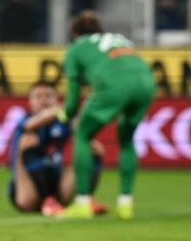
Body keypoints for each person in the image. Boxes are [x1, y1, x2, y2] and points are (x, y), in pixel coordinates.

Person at [58, 11, 156, 219]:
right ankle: (125, 204)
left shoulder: (76, 48)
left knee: (83, 135)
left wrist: (65, 114)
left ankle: (83, 203)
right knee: (126, 139)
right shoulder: (119, 39)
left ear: (75, 34)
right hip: (146, 83)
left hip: (114, 85)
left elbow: (73, 100)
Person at [8, 81, 106, 216]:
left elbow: (79, 126)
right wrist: (63, 109)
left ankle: (86, 199)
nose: (43, 101)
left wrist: (82, 115)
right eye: (38, 96)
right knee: (26, 141)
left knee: (91, 148)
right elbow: (29, 126)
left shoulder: (62, 120)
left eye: (48, 96)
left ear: (56, 99)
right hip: (27, 186)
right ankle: (47, 200)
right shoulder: (26, 119)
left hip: (57, 181)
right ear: (30, 101)